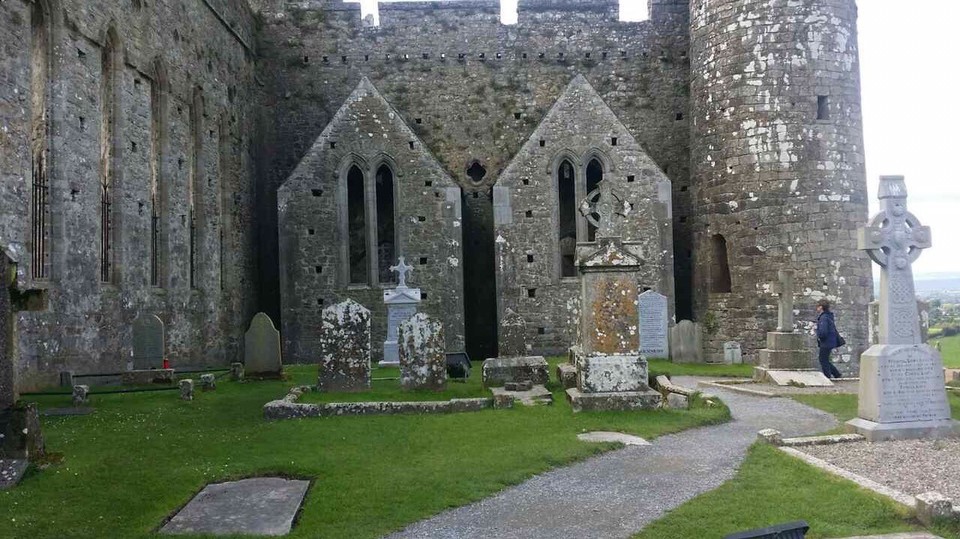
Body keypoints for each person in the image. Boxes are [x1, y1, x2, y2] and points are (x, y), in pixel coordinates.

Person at [815, 299, 843, 379]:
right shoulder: (828, 316)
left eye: (818, 306)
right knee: (825, 359)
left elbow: (823, 332)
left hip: (826, 342)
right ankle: (836, 374)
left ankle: (828, 377)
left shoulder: (823, 317)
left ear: (821, 307)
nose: (816, 308)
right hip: (830, 341)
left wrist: (820, 337)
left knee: (823, 359)